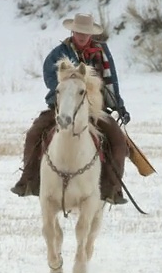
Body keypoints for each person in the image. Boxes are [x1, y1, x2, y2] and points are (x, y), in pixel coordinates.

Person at [10, 13, 131, 205]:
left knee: (118, 141)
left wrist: (119, 106)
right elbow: (50, 79)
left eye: (86, 32)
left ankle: (112, 189)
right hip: (63, 107)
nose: (82, 35)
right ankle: (29, 181)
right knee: (34, 133)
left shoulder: (102, 52)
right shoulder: (59, 53)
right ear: (72, 31)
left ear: (91, 33)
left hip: (95, 109)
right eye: (78, 31)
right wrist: (69, 89)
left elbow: (111, 80)